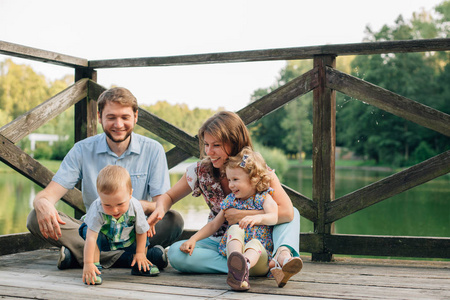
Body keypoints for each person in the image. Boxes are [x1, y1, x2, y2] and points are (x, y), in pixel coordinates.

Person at [27, 87, 183, 271]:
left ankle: (83, 256)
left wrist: (129, 205)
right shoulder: (81, 149)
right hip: (94, 230)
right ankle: (134, 258)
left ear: (135, 116)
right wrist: (42, 203)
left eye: (125, 117)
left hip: (134, 232)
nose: (118, 124)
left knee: (174, 220)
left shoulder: (153, 149)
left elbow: (160, 206)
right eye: (111, 117)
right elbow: (47, 196)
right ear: (100, 117)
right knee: (35, 218)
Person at [148, 111, 303, 288]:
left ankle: (280, 256)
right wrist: (160, 209)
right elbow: (168, 196)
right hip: (221, 242)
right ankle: (245, 266)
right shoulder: (200, 171)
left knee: (293, 214)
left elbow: (287, 212)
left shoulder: (258, 171)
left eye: (216, 145)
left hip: (259, 241)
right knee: (176, 253)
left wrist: (244, 215)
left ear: (234, 142)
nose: (208, 151)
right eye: (206, 144)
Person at [180, 147, 278, 291]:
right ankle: (236, 267)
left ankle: (242, 264)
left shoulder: (263, 197)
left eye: (235, 180)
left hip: (258, 260)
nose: (231, 185)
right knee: (234, 228)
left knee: (255, 244)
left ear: (253, 179)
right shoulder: (230, 200)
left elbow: (274, 217)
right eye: (229, 179)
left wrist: (258, 217)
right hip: (236, 251)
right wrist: (193, 239)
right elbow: (214, 225)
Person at [81, 165, 159, 285]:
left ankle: (139, 264)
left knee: (145, 231)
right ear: (99, 196)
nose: (115, 210)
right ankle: (94, 268)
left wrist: (139, 253)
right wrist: (87, 263)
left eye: (120, 204)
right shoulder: (97, 208)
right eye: (107, 205)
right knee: (91, 234)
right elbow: (91, 238)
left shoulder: (135, 206)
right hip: (105, 237)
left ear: (130, 194)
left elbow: (141, 232)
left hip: (127, 236)